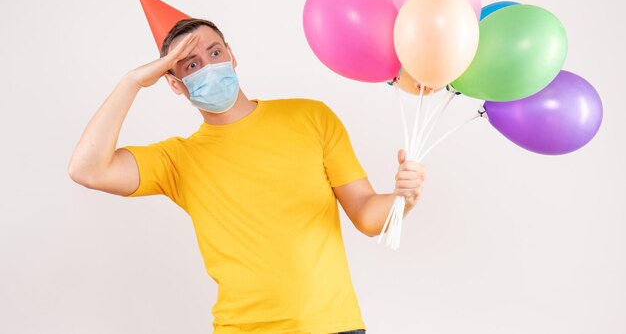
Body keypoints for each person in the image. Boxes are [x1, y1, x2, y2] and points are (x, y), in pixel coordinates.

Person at [68, 17, 427, 333]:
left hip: (331, 326)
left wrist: (402, 200)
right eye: (190, 64)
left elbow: (366, 215)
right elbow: (87, 169)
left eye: (214, 53)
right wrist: (131, 81)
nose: (208, 66)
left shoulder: (312, 117)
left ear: (231, 55)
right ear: (175, 84)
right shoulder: (177, 159)